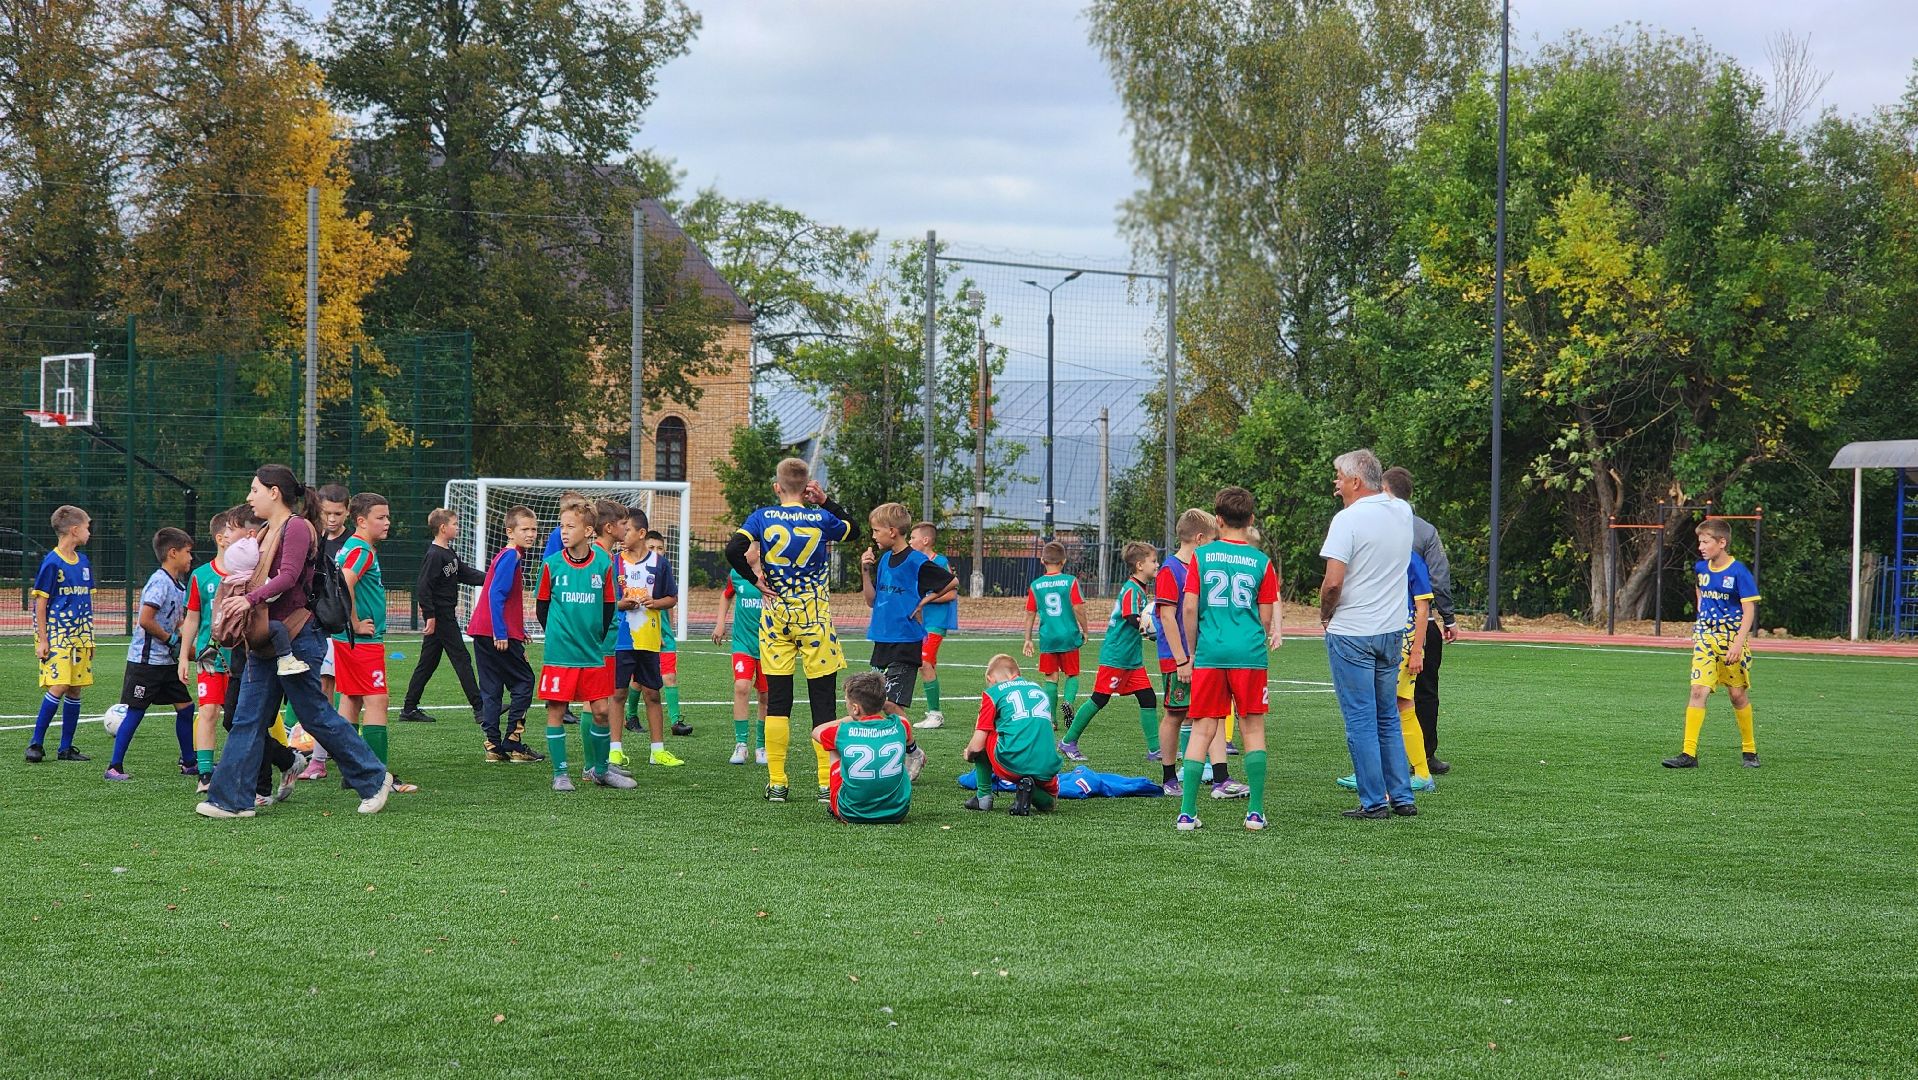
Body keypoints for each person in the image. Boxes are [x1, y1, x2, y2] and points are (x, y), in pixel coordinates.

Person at [199, 464, 394, 818]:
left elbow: (289, 577)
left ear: (274, 492)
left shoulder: (298, 528)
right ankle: (230, 800)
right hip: (266, 640)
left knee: (315, 715)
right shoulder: (264, 531)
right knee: (247, 718)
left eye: (255, 489)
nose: (249, 497)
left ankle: (374, 777)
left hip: (299, 637)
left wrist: (248, 600)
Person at [725, 457, 860, 804]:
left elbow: (733, 549)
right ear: (807, 488)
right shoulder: (821, 517)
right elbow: (854, 529)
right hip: (814, 618)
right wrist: (826, 501)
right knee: (823, 703)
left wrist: (756, 580)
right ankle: (826, 783)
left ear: (777, 487)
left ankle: (778, 783)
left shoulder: (763, 517)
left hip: (777, 618)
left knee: (778, 703)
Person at [1176, 486, 1281, 832]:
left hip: (1209, 653)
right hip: (1248, 654)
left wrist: (1192, 651)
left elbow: (1189, 607)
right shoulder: (1262, 562)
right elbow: (1266, 617)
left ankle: (1187, 813)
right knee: (1252, 728)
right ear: (1250, 520)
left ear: (1218, 520)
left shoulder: (1202, 557)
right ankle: (1254, 813)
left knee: (1204, 728)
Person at [1319, 449, 1417, 821]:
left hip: (1353, 631)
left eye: (1339, 476)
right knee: (1387, 715)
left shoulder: (1347, 520)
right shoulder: (1402, 511)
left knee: (1360, 718)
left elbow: (1333, 582)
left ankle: (1374, 801)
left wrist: (1326, 614)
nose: (1336, 482)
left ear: (1356, 481)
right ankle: (1402, 796)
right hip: (1392, 629)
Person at [535, 502, 629, 791]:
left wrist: (594, 637)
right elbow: (542, 608)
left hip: (591, 652)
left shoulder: (603, 564)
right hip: (560, 653)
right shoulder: (551, 565)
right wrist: (558, 635)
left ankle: (600, 771)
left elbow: (609, 605)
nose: (564, 531)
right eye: (562, 526)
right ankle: (560, 773)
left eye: (570, 526)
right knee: (556, 710)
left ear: (588, 531)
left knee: (601, 710)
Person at [1153, 509, 1239, 798]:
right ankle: (1168, 777)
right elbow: (1167, 618)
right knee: (1175, 714)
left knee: (1209, 714)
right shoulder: (1170, 570)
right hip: (1179, 657)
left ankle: (1221, 779)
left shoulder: (1202, 568)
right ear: (1200, 539)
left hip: (1205, 656)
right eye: (1213, 539)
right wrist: (1182, 659)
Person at [1663, 519, 1761, 769]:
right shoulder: (1700, 568)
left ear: (1722, 542)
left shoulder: (1739, 572)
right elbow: (1700, 592)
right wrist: (1701, 617)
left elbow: (1748, 610)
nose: (1701, 546)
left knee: (1737, 695)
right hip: (1706, 639)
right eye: (1700, 541)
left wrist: (1738, 644)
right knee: (1697, 691)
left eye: (1706, 541)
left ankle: (1749, 751)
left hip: (1731, 640)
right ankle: (1688, 753)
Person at [1337, 548, 1436, 793]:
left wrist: (1416, 650)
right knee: (1398, 704)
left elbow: (1422, 607)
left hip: (1402, 638)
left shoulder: (1411, 559)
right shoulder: (1386, 554)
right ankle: (1416, 773)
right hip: (1387, 634)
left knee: (1391, 703)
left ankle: (1401, 773)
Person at [334, 493, 413, 792]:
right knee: (377, 701)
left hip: (347, 639)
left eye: (388, 516)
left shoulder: (350, 547)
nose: (387, 522)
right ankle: (377, 775)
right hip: (361, 640)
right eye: (381, 517)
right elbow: (345, 581)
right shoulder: (362, 549)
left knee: (350, 700)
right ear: (362, 521)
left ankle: (350, 770)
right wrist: (355, 622)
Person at [105, 528, 196, 781]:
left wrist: (191, 650)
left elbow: (176, 623)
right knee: (136, 711)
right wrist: (172, 640)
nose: (191, 558)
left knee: (186, 708)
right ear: (173, 553)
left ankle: (189, 762)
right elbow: (146, 620)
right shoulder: (159, 581)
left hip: (166, 662)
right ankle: (114, 766)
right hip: (146, 663)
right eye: (188, 552)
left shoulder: (179, 586)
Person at [1383, 467, 1458, 774]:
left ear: (1385, 491)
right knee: (1425, 690)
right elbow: (1439, 577)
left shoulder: (1370, 525)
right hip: (1420, 624)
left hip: (1382, 622)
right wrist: (1449, 617)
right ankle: (1424, 756)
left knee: (1383, 693)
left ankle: (1387, 761)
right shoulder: (1425, 531)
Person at [859, 502, 958, 731]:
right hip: (882, 638)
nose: (874, 536)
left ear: (892, 531)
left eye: (876, 530)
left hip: (905, 640)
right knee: (877, 701)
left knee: (891, 703)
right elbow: (872, 601)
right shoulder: (883, 560)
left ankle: (913, 751)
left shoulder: (917, 561)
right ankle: (899, 750)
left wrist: (924, 601)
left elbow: (951, 582)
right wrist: (865, 571)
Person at [1061, 541, 1160, 763]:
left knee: (1147, 697)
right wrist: (1155, 631)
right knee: (1100, 699)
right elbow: (1131, 618)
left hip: (1131, 658)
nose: (1157, 565)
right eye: (1153, 561)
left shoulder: (1140, 589)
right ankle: (1068, 741)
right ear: (1140, 565)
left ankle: (1155, 749)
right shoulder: (1131, 590)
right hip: (1116, 656)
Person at [612, 509, 684, 770]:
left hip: (649, 639)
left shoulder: (659, 563)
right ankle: (615, 750)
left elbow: (672, 598)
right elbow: (608, 601)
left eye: (627, 529)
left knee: (653, 694)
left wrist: (656, 602)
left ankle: (658, 750)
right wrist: (622, 604)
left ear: (641, 533)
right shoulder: (615, 563)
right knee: (618, 693)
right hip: (621, 640)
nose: (622, 534)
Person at [400, 507, 486, 725]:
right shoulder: (434, 555)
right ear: (443, 528)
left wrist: (491, 577)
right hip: (441, 616)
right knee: (462, 658)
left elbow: (464, 573)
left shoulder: (449, 552)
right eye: (455, 524)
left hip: (443, 616)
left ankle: (409, 708)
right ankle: (481, 709)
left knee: (427, 663)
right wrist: (430, 615)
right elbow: (423, 587)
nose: (457, 527)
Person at [468, 505, 540, 763]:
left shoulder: (505, 556)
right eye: (525, 529)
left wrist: (518, 630)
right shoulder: (511, 557)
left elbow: (505, 599)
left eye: (534, 529)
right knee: (525, 681)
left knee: (491, 688)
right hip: (496, 634)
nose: (531, 534)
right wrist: (502, 632)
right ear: (510, 532)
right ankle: (514, 741)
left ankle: (492, 746)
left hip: (482, 631)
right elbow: (496, 595)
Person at [27, 504, 94, 763]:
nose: (90, 532)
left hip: (80, 635)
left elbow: (86, 602)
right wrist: (43, 639)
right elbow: (41, 603)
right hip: (57, 634)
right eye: (87, 527)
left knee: (75, 689)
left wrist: (90, 638)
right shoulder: (52, 563)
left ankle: (66, 747)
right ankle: (36, 743)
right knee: (60, 684)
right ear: (75, 530)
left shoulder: (84, 562)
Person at [178, 509, 237, 789]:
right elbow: (191, 618)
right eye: (236, 531)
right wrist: (182, 655)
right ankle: (204, 774)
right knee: (209, 710)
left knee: (240, 714)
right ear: (221, 538)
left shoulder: (248, 574)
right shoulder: (201, 576)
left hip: (240, 653)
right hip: (208, 654)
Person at [963, 654, 1064, 816]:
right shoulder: (1039, 689)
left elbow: (977, 746)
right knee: (1050, 803)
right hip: (1047, 764)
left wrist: (969, 753)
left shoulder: (993, 693)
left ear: (991, 679)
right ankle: (1033, 791)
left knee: (985, 731)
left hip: (1011, 763)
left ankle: (983, 797)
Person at [813, 672, 914, 824]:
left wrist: (846, 720)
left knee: (832, 745)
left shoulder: (842, 732)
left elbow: (816, 732)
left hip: (851, 812)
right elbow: (904, 726)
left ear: (855, 708)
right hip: (897, 812)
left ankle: (836, 802)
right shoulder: (901, 724)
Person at [302, 483, 352, 779]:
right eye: (327, 513)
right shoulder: (310, 537)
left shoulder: (352, 543)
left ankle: (322, 758)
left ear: (347, 511)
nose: (332, 519)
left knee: (332, 692)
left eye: (338, 513)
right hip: (311, 625)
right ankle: (320, 755)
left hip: (337, 629)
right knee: (317, 691)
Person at [712, 540, 769, 765]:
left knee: (765, 696)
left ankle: (762, 746)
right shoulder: (737, 574)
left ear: (757, 552)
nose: (740, 553)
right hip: (742, 643)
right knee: (742, 686)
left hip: (768, 646)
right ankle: (741, 744)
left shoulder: (773, 577)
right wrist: (720, 623)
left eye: (745, 549)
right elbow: (726, 595)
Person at [1021, 540, 1089, 726]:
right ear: (1064, 561)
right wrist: (1085, 629)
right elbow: (1078, 608)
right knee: (1072, 674)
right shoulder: (1070, 581)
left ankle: (1051, 719)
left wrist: (1027, 639)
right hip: (1069, 635)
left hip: (1048, 638)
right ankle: (1068, 702)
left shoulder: (1036, 585)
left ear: (1042, 560)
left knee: (1051, 677)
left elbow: (1030, 613)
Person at [219, 528, 301, 674]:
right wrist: (279, 579)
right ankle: (286, 658)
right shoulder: (255, 580)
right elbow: (272, 594)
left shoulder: (227, 581)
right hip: (253, 626)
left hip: (236, 628)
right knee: (278, 628)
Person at [908, 522, 958, 728]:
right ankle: (932, 712)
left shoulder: (939, 561)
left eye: (912, 537)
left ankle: (935, 715)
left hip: (935, 623)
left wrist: (924, 600)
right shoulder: (915, 562)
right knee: (924, 664)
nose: (909, 541)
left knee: (925, 663)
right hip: (921, 623)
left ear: (925, 540)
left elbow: (951, 592)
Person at [644, 531, 691, 736]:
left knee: (670, 677)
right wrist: (654, 633)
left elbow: (670, 602)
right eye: (651, 548)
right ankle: (631, 716)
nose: (656, 552)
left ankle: (675, 721)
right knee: (639, 681)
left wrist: (668, 629)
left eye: (660, 548)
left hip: (665, 637)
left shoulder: (665, 570)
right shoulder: (640, 572)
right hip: (645, 634)